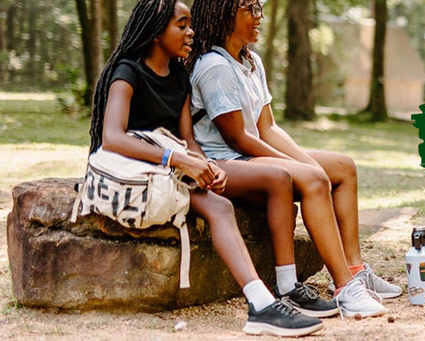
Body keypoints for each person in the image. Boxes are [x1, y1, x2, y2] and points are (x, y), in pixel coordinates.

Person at [87, 0, 321, 336]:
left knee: (251, 192)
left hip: (172, 171)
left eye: (190, 24)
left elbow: (187, 138)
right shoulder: (127, 72)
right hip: (140, 175)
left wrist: (205, 164)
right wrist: (177, 160)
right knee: (221, 207)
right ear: (156, 33)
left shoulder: (180, 75)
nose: (191, 32)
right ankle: (261, 303)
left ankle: (275, 296)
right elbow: (111, 139)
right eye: (181, 25)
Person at [186, 0, 397, 319]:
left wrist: (302, 161)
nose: (259, 17)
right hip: (228, 160)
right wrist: (303, 170)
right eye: (250, 10)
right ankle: (345, 289)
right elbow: (238, 138)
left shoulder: (251, 61)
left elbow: (267, 127)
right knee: (313, 179)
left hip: (250, 151)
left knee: (342, 167)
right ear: (226, 14)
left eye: (259, 9)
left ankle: (355, 270)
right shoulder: (214, 66)